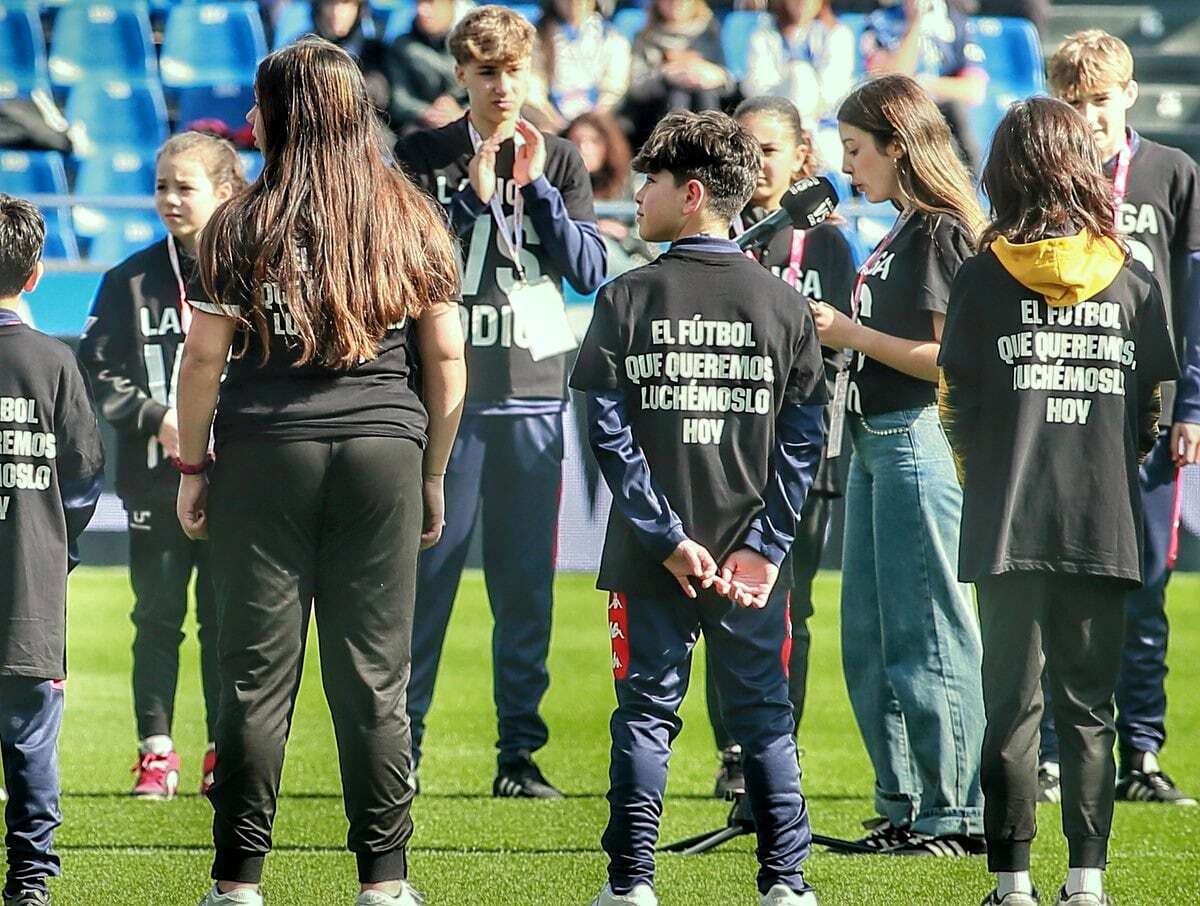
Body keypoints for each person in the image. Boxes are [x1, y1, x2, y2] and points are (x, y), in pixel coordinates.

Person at [173, 38, 465, 906]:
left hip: (264, 453)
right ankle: (383, 882)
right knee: (377, 678)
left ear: (285, 115)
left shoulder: (239, 223)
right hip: (384, 450)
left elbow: (200, 361)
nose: (252, 121)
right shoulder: (411, 213)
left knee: (255, 679)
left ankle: (237, 884)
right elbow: (446, 359)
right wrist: (433, 472)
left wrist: (193, 466)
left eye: (262, 106)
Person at [571, 109, 825, 906]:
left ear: (689, 195)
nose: (635, 194)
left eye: (648, 181)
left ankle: (631, 884)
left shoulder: (628, 295)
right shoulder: (782, 305)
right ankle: (785, 883)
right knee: (764, 716)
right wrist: (767, 544)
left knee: (646, 713)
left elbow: (608, 436)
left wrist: (667, 538)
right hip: (750, 560)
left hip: (654, 558)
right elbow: (803, 438)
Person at [939, 96, 1180, 906]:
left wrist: (991, 472)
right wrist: (1108, 466)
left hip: (1006, 521)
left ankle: (1010, 885)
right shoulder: (1136, 283)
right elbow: (1153, 404)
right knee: (1090, 709)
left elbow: (956, 402)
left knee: (1009, 707)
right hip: (1102, 520)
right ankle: (1088, 882)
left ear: (1005, 172)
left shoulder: (980, 279)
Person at [395, 4, 606, 800]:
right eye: (486, 71)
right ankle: (402, 748)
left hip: (534, 401)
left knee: (526, 593)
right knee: (427, 587)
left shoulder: (557, 160)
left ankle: (519, 755)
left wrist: (534, 195)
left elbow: (589, 270)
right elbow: (407, 266)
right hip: (450, 404)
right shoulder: (423, 156)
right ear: (462, 75)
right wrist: (470, 201)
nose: (502, 86)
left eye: (514, 70)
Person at [809, 73, 986, 855]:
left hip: (916, 437)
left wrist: (851, 334)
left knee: (930, 632)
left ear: (897, 145)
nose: (848, 169)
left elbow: (952, 359)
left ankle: (955, 812)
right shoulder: (902, 227)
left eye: (855, 151)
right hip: (876, 440)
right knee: (871, 636)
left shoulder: (942, 229)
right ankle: (904, 802)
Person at [1038, 29, 1200, 808]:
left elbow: (1193, 301)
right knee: (1048, 583)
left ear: (1129, 95)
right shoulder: (1035, 175)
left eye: (1101, 99)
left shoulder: (1171, 173)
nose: (1089, 115)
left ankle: (1140, 751)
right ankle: (1042, 750)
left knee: (1147, 586)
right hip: (1057, 408)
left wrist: (1190, 405)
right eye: (1073, 101)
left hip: (1150, 417)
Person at [78, 132, 246, 801]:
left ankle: (219, 752)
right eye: (161, 187)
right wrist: (161, 419)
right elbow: (100, 374)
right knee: (156, 615)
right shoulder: (130, 279)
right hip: (155, 479)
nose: (170, 200)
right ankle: (156, 752)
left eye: (185, 187)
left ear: (225, 193)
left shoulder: (247, 272)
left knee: (225, 621)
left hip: (235, 479)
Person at [705, 95, 857, 798]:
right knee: (721, 595)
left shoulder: (828, 242)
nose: (757, 162)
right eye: (746, 147)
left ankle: (776, 746)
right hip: (725, 447)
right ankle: (733, 752)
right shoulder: (717, 237)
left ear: (801, 157)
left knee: (789, 602)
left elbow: (845, 345)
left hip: (804, 449)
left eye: (769, 149)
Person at [0, 195, 104, 906]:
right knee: (31, 739)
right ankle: (30, 881)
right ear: (36, 276)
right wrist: (52, 552)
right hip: (28, 589)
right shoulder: (52, 361)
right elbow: (84, 476)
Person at [861, 0, 987, 173]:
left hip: (944, 114)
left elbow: (973, 90)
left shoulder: (955, 21)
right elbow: (890, 83)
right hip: (901, 115)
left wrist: (925, 84)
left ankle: (971, 189)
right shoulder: (880, 22)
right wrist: (914, 25)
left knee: (953, 114)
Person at [742, 0, 855, 169]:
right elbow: (755, 86)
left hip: (824, 126)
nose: (802, 4)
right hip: (776, 119)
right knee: (798, 73)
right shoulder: (764, 33)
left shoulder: (837, 33)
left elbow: (834, 89)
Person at [623, 0, 735, 147]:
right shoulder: (645, 37)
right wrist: (666, 75)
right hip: (658, 107)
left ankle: (711, 146)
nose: (676, 3)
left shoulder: (709, 33)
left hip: (706, 97)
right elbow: (637, 87)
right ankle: (673, 148)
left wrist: (712, 74)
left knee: (704, 92)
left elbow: (730, 81)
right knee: (677, 94)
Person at [563, 111, 659, 275]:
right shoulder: (558, 183)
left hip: (629, 263)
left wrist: (623, 234)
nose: (584, 149)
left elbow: (649, 241)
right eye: (576, 142)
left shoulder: (632, 183)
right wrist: (595, 227)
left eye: (594, 141)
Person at [528, 0, 631, 132]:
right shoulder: (539, 36)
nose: (574, 4)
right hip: (552, 119)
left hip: (597, 119)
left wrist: (596, 115)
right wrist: (550, 117)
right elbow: (533, 86)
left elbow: (615, 85)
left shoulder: (611, 36)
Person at [385, 0, 468, 134]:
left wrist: (462, 114)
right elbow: (399, 100)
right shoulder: (402, 47)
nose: (422, 10)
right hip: (418, 130)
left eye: (430, 2)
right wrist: (428, 113)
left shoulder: (471, 46)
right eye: (418, 3)